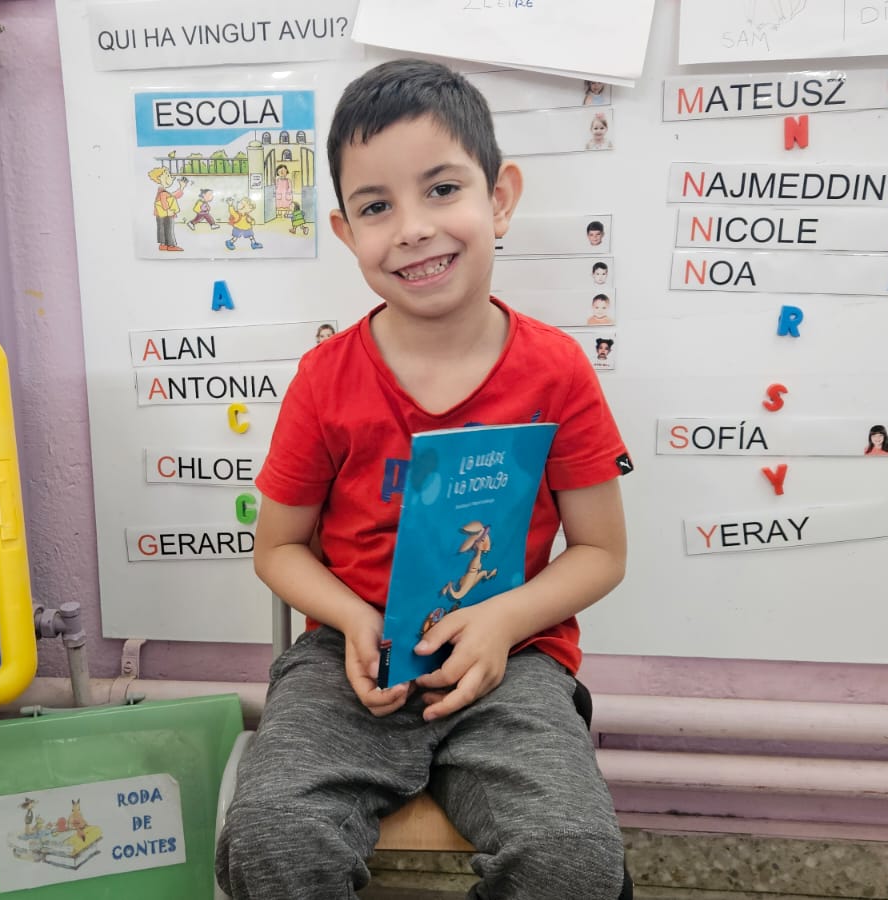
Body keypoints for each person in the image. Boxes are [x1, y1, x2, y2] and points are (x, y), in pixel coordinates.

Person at [216, 58, 632, 900]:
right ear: (346, 233)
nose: (411, 228)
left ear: (500, 197)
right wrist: (352, 618)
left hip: (512, 659)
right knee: (270, 838)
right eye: (377, 207)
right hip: (349, 659)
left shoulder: (557, 371)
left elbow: (601, 552)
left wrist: (502, 621)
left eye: (442, 189)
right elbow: (278, 549)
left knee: (573, 858)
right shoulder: (325, 379)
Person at [149, 169, 188, 251]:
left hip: (160, 213)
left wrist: (181, 187)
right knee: (168, 228)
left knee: (162, 228)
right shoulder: (162, 192)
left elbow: (173, 196)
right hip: (166, 213)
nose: (170, 177)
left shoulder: (163, 191)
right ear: (159, 178)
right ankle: (171, 245)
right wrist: (167, 210)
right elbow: (164, 200)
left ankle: (163, 245)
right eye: (167, 175)